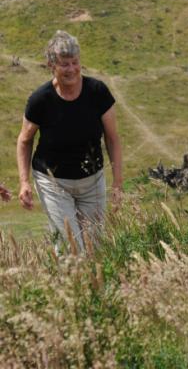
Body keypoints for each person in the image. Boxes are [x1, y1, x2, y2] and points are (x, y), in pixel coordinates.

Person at [17, 31, 123, 251]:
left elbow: (112, 139)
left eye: (75, 62)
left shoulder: (98, 92)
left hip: (92, 180)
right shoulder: (41, 99)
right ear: (51, 65)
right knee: (70, 247)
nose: (72, 69)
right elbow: (25, 140)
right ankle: (68, 284)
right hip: (53, 182)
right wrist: (24, 182)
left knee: (95, 247)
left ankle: (92, 285)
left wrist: (118, 183)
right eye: (65, 64)